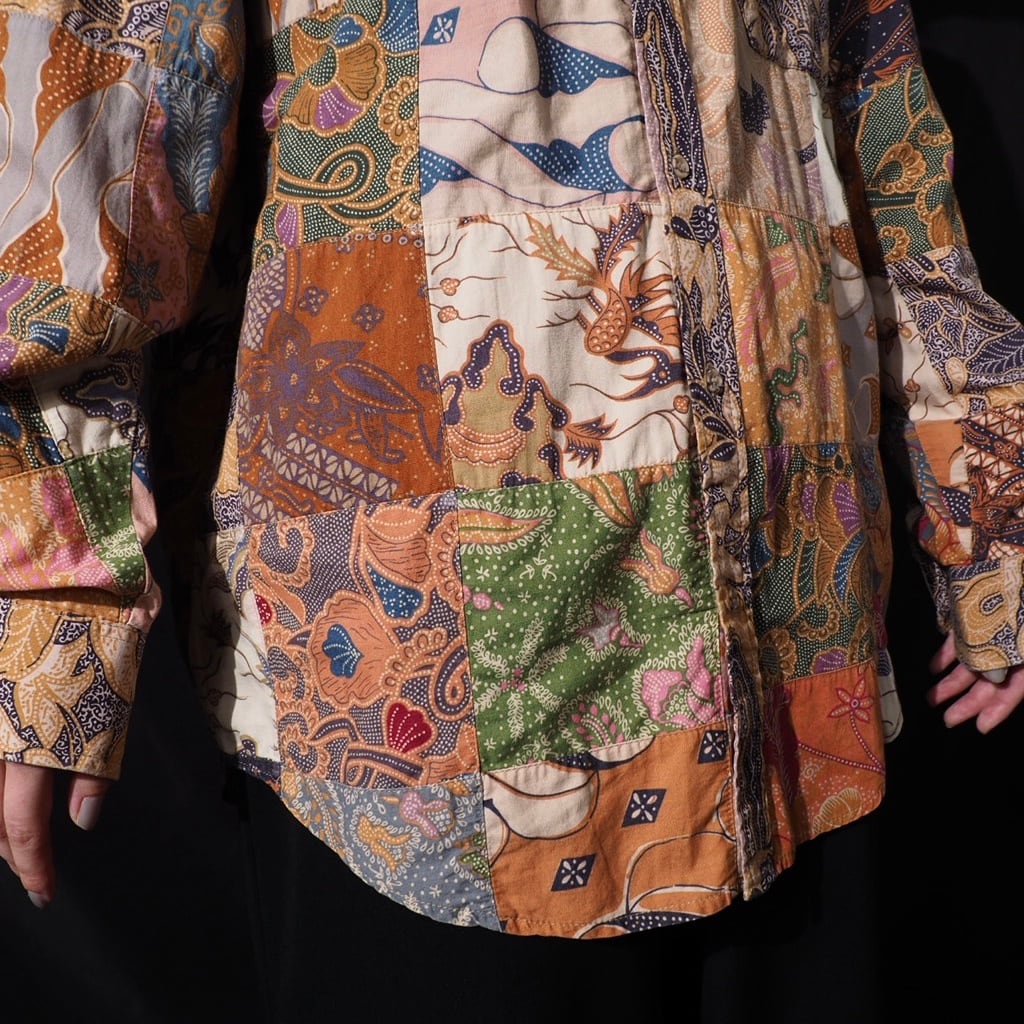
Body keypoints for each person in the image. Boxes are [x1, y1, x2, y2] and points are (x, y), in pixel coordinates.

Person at [1, 0, 1022, 988]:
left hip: (801, 651)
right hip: (416, 695)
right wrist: (53, 606)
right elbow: (100, 112)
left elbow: (887, 150)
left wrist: (992, 508)